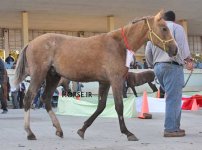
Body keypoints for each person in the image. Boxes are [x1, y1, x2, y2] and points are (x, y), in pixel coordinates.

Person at [145, 11, 194, 137]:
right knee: (174, 99)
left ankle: (175, 127)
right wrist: (188, 60)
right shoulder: (177, 28)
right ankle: (171, 129)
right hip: (172, 66)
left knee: (171, 97)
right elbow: (182, 47)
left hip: (158, 67)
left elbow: (147, 52)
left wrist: (153, 64)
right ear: (174, 19)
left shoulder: (155, 29)